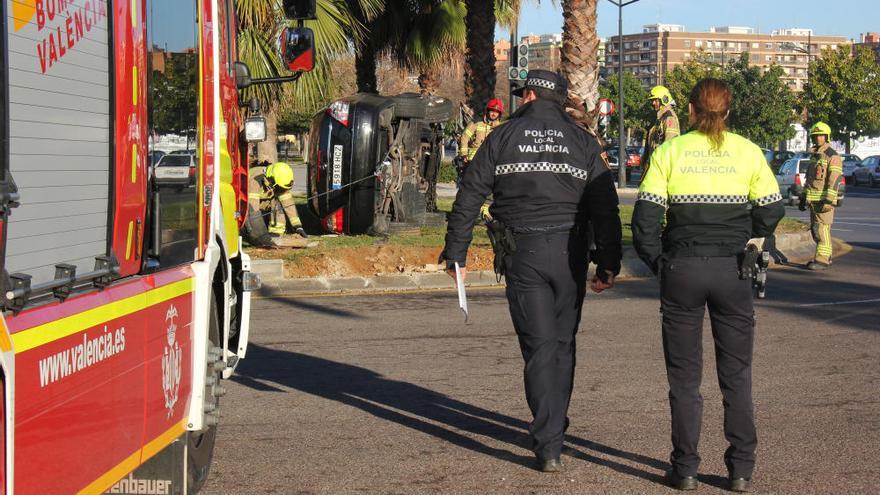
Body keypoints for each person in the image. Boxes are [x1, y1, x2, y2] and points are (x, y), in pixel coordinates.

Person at [441, 70, 622, 473]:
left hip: (522, 252)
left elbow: (471, 193)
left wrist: (457, 253)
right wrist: (608, 262)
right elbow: (605, 206)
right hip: (570, 252)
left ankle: (548, 440)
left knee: (539, 345)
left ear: (529, 96)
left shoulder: (501, 137)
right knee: (562, 342)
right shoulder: (582, 142)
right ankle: (554, 427)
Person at [632, 78, 784, 492]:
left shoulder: (669, 151)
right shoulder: (748, 152)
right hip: (732, 270)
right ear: (728, 112)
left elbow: (644, 220)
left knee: (684, 378)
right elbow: (772, 209)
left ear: (693, 111)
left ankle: (685, 468)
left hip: (682, 268)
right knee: (736, 375)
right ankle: (740, 469)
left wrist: (659, 262)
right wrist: (747, 237)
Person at [799, 121, 843, 270]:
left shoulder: (832, 156)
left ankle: (822, 259)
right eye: (816, 136)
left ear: (827, 137)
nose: (818, 138)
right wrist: (804, 196)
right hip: (814, 201)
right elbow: (810, 179)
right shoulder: (815, 156)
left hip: (824, 202)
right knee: (816, 230)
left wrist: (829, 200)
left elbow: (834, 179)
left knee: (821, 230)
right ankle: (824, 257)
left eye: (821, 136)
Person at [244, 161, 310, 248]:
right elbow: (253, 212)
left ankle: (276, 234)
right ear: (272, 181)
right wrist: (262, 237)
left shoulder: (278, 183)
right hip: (247, 206)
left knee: (278, 203)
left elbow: (288, 203)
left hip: (263, 204)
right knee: (251, 228)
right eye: (281, 189)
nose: (282, 191)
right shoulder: (255, 181)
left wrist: (298, 226)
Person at [642, 85, 681, 177]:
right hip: (655, 167)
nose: (653, 103)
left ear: (664, 99)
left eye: (655, 100)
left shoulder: (669, 118)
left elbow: (670, 144)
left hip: (662, 170)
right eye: (652, 100)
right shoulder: (660, 118)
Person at [458, 98, 505, 163]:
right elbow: (465, 137)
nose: (494, 114)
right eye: (492, 111)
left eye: (497, 112)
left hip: (490, 161)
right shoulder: (476, 122)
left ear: (499, 114)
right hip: (473, 160)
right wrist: (464, 154)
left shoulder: (500, 127)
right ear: (488, 111)